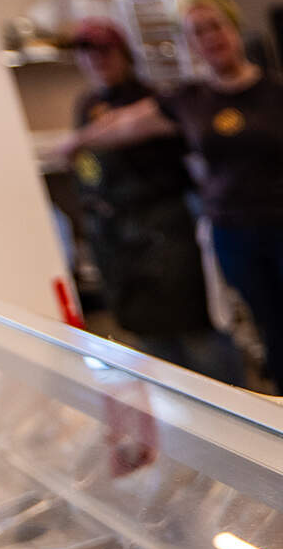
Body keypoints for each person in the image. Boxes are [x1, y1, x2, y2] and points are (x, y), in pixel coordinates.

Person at [63, 0, 283, 430]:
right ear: (190, 45)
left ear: (234, 30)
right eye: (197, 33)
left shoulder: (282, 92)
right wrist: (77, 141)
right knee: (271, 332)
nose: (209, 38)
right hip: (237, 236)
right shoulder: (190, 99)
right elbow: (127, 124)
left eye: (215, 27)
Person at [59, 19, 239, 382]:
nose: (97, 60)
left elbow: (126, 131)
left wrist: (78, 142)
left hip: (167, 234)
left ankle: (238, 420)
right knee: (151, 346)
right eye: (87, 53)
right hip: (117, 243)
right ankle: (180, 423)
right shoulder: (87, 104)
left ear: (124, 54)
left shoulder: (154, 101)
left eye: (104, 51)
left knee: (198, 335)